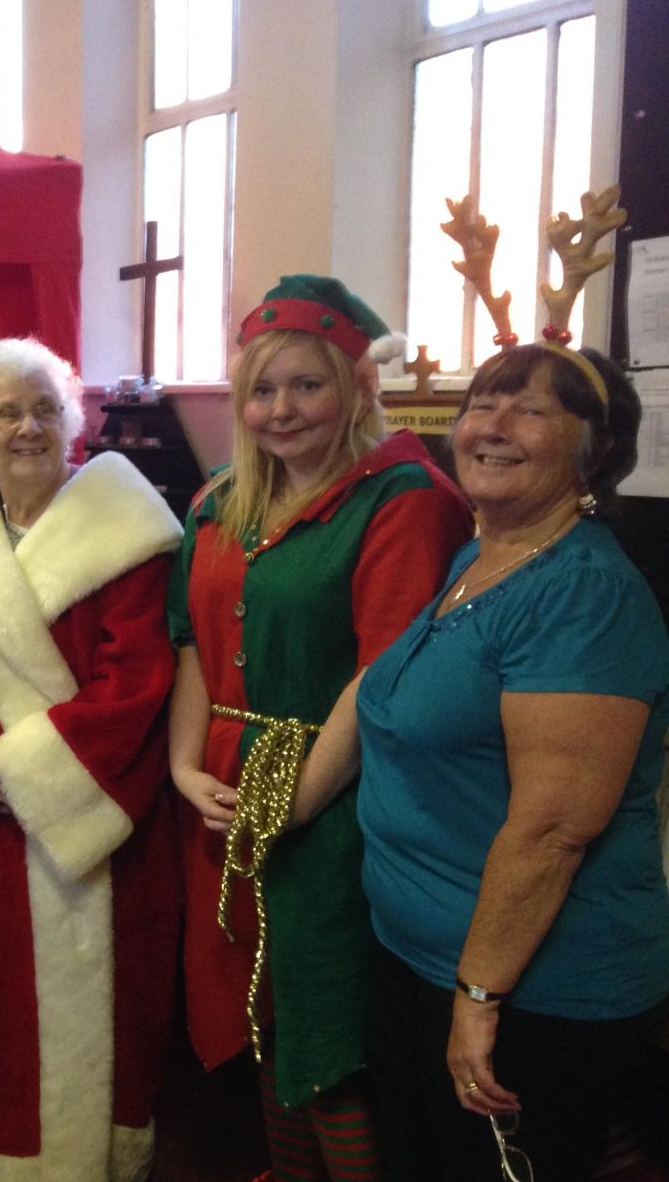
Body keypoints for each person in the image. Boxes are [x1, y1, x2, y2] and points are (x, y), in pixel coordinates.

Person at [297, 343, 669, 1182]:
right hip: (419, 956)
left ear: (593, 450)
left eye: (532, 411)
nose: (493, 427)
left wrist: (478, 999)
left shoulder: (584, 594)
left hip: (533, 991)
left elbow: (551, 832)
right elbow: (382, 690)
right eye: (483, 404)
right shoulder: (483, 557)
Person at [167, 276, 472, 1182]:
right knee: (259, 1009)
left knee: (326, 1027)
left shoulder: (405, 499)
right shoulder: (219, 504)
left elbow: (383, 672)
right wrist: (185, 768)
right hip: (223, 789)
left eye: (308, 385)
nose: (281, 409)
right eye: (262, 390)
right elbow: (190, 643)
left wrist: (290, 803)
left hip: (334, 791)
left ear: (355, 388)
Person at [0, 338, 181, 1180]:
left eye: (45, 408)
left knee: (108, 1029)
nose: (27, 427)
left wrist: (18, 775)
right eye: (6, 412)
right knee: (0, 1025)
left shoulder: (128, 533)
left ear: (73, 420)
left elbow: (138, 682)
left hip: (98, 830)